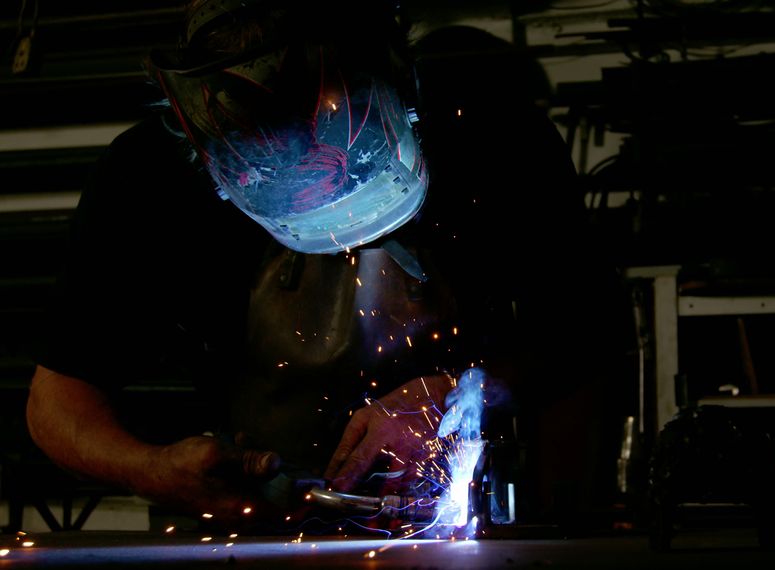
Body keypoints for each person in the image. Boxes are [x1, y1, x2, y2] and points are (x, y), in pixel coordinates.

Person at [26, 0, 628, 529]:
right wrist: (152, 469)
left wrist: (460, 392)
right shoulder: (149, 178)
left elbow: (583, 333)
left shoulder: (491, 132)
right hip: (258, 523)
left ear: (394, 80)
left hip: (475, 507)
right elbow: (56, 406)